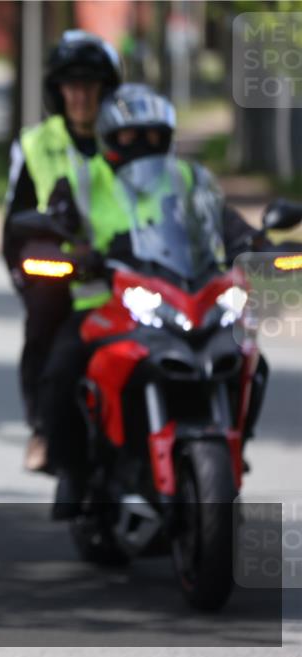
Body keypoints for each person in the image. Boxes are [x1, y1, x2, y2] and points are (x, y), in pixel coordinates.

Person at [33, 83, 265, 518]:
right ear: (108, 137)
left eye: (153, 136)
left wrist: (253, 241)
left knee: (251, 356)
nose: (141, 145)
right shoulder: (83, 178)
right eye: (128, 136)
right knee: (61, 370)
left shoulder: (191, 179)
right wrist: (71, 250)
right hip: (106, 300)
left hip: (185, 291)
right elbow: (52, 228)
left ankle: (234, 443)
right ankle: (76, 472)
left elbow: (224, 222)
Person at [1, 30, 122, 472]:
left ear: (106, 89)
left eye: (90, 83)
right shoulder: (36, 142)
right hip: (64, 269)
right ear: (57, 90)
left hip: (130, 268)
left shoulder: (129, 137)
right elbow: (16, 219)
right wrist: (29, 271)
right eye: (71, 84)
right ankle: (43, 430)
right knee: (44, 329)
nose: (81, 94)